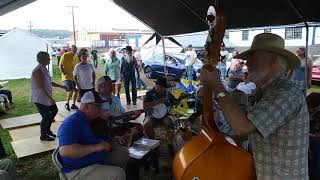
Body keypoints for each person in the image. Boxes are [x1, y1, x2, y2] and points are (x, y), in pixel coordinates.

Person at [200, 33, 309, 179]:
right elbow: (248, 132)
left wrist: (217, 86)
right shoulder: (265, 92)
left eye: (253, 57)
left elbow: (243, 127)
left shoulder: (285, 93)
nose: (247, 63)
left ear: (273, 60)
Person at [57, 91, 128, 180]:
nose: (101, 109)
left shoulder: (93, 120)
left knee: (123, 153)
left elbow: (104, 141)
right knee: (118, 174)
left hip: (95, 160)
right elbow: (65, 151)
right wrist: (96, 147)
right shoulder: (72, 122)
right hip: (78, 170)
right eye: (98, 106)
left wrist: (115, 140)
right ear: (87, 106)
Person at [96, 76, 144, 144]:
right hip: (105, 128)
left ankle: (132, 151)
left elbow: (122, 116)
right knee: (128, 131)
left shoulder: (116, 99)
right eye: (109, 84)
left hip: (118, 125)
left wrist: (134, 117)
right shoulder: (96, 101)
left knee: (139, 127)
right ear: (101, 87)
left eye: (111, 84)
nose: (112, 86)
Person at [31, 51, 65, 141]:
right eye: (48, 58)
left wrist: (61, 86)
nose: (50, 59)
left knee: (54, 111)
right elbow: (40, 87)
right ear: (43, 59)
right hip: (40, 98)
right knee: (46, 116)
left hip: (45, 97)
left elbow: (49, 82)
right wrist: (50, 98)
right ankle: (43, 135)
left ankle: (47, 131)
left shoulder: (44, 68)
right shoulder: (38, 70)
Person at [60, 45, 79, 111]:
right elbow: (60, 65)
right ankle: (67, 103)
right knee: (70, 90)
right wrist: (63, 72)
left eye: (76, 50)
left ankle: (73, 104)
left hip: (73, 77)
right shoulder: (65, 55)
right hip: (67, 77)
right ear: (71, 49)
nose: (75, 51)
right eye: (74, 49)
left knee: (76, 90)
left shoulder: (76, 57)